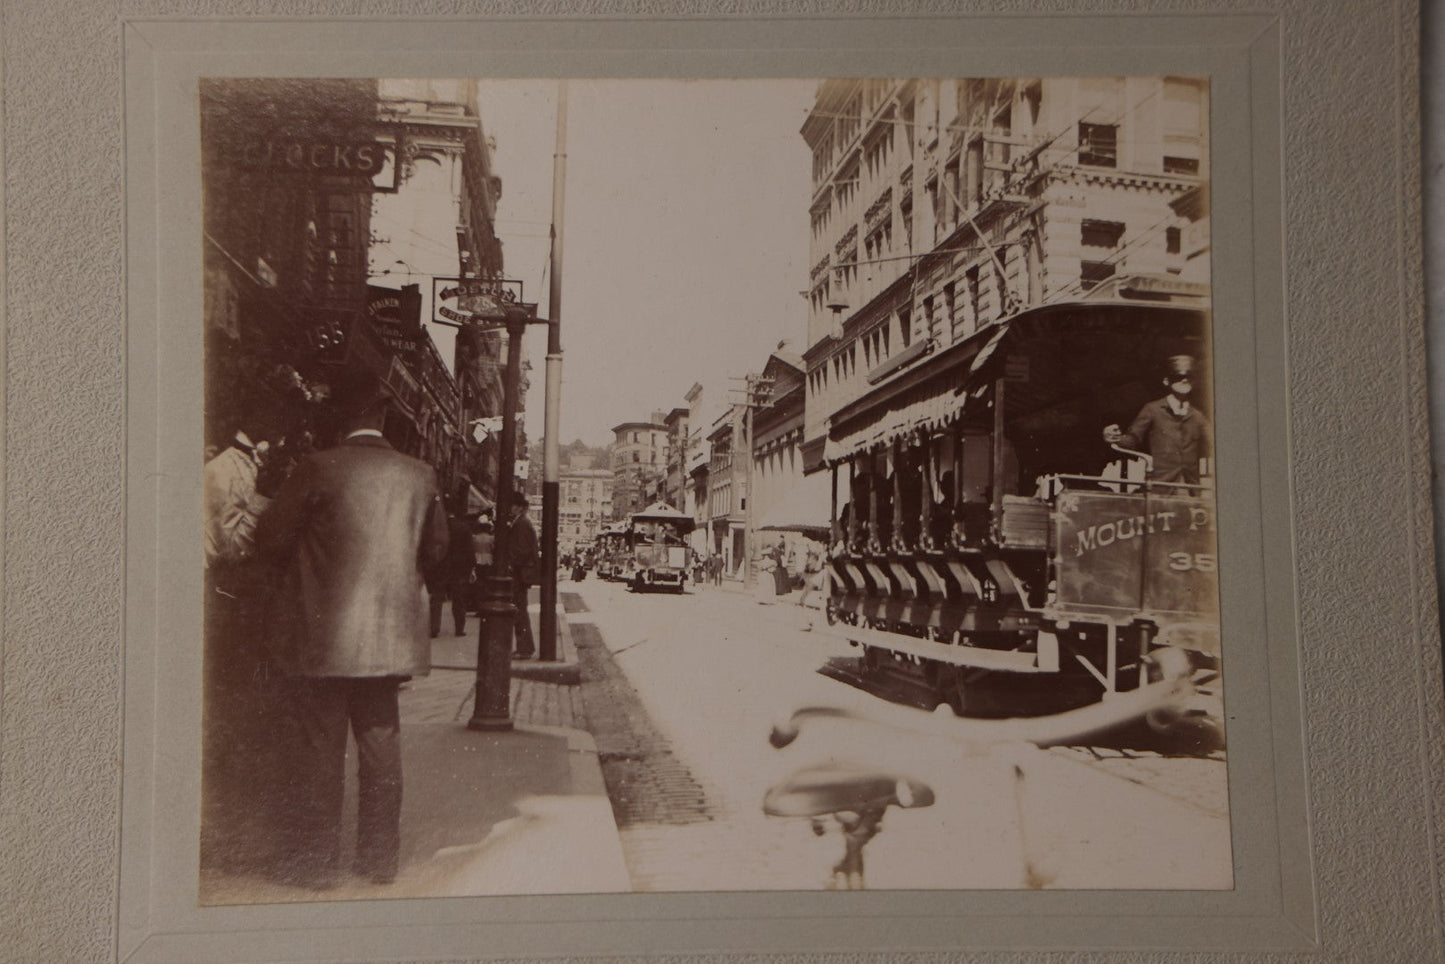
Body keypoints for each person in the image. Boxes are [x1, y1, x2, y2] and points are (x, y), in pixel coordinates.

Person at [256, 370, 448, 888]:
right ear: (383, 418)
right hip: (388, 643)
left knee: (319, 749)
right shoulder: (421, 475)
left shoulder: (317, 468)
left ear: (342, 420)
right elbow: (436, 552)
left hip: (323, 638)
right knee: (381, 747)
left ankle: (315, 866)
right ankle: (380, 861)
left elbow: (270, 540)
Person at [201, 422, 283, 872]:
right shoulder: (227, 470)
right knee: (234, 716)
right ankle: (228, 842)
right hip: (227, 600)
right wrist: (264, 506)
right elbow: (232, 544)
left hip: (238, 602)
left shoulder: (242, 464)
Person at [1102, 354, 1213, 485]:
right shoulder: (1152, 410)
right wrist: (1114, 437)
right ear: (1167, 381)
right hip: (1161, 487)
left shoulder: (1197, 416)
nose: (1184, 380)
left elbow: (1214, 444)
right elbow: (1133, 439)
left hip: (1190, 489)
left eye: (1189, 377)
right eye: (1178, 377)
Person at [502, 491, 540, 659]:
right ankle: (525, 647)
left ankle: (524, 648)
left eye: (512, 506)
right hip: (521, 573)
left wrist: (510, 562)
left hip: (519, 573)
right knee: (519, 610)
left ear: (518, 507)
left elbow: (522, 551)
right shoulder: (522, 522)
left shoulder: (522, 524)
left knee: (519, 611)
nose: (510, 509)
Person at [429, 505, 476, 638]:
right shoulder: (464, 527)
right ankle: (459, 628)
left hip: (442, 567)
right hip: (459, 568)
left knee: (437, 598)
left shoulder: (441, 528)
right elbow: (469, 551)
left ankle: (434, 627)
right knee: (459, 599)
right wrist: (470, 568)